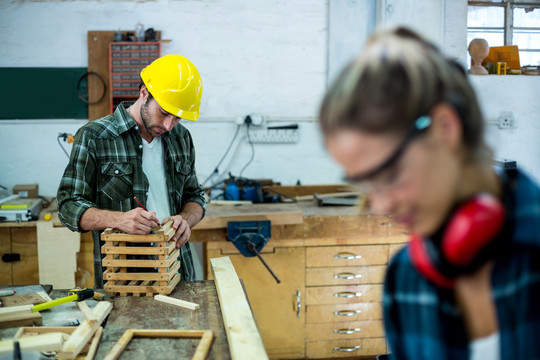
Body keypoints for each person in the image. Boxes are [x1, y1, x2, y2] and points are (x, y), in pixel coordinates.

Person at [319, 27, 540, 359]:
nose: (380, 206)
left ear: (444, 129)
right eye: (365, 185)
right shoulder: (406, 278)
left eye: (387, 175)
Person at [57, 54, 206, 288]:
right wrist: (119, 219)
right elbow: (68, 207)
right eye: (164, 112)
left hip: (177, 271)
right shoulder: (95, 137)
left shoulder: (181, 137)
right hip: (125, 279)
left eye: (177, 118)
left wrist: (186, 220)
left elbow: (195, 197)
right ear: (144, 93)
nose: (168, 126)